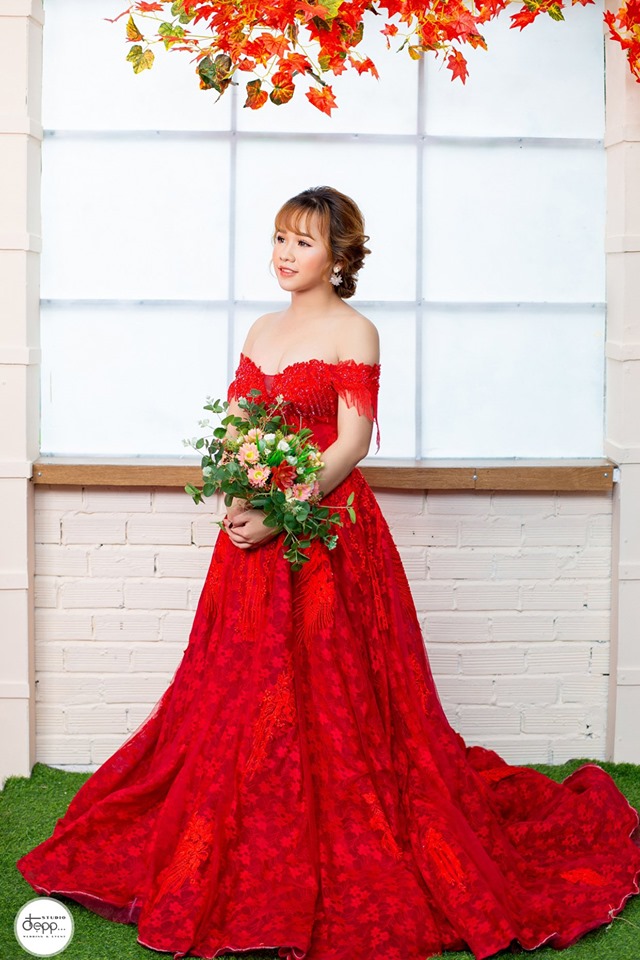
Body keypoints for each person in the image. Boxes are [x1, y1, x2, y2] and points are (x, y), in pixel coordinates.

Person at [16, 186, 640, 960]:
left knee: (339, 694)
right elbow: (239, 428)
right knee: (242, 687)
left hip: (328, 529)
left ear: (339, 256)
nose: (285, 254)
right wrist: (239, 496)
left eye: (303, 242)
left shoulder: (355, 331)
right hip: (253, 532)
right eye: (279, 238)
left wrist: (284, 511)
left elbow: (351, 442)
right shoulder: (261, 329)